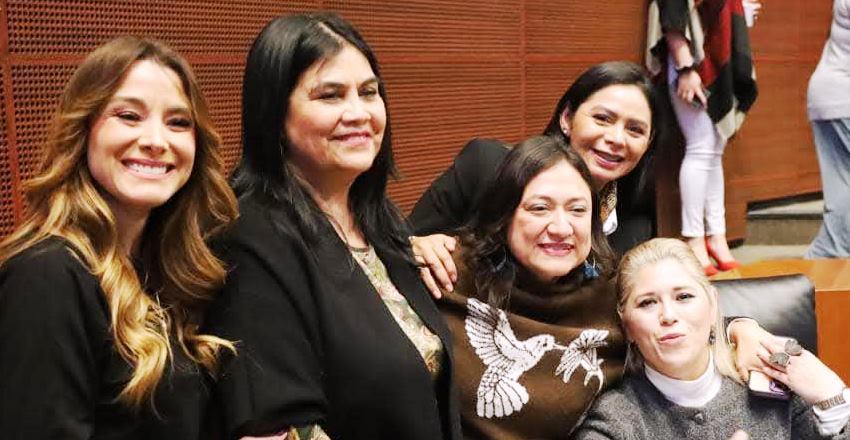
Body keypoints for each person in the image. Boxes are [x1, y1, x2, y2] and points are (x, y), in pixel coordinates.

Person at [204, 13, 461, 440]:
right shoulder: (250, 237)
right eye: (330, 95)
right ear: (275, 113)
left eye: (369, 92)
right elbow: (278, 425)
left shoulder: (378, 220)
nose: (358, 113)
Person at [436, 135, 771, 439]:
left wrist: (739, 328)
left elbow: (675, 320)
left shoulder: (609, 290)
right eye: (539, 208)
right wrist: (414, 250)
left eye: (577, 210)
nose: (561, 227)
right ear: (505, 214)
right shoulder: (448, 272)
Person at [0, 37, 238, 439]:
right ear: (83, 129)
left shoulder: (169, 267)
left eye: (178, 122)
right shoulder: (47, 276)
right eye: (129, 116)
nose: (156, 141)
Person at [406, 61, 659, 296]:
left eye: (635, 130)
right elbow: (402, 243)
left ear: (648, 142)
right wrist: (416, 246)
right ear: (567, 118)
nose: (617, 139)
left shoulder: (635, 224)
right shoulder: (488, 167)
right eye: (602, 119)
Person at [575, 237, 850, 439]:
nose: (668, 315)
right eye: (647, 303)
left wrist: (833, 399)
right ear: (627, 326)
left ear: (713, 306)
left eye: (684, 297)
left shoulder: (774, 388)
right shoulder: (614, 420)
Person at [646, 0, 760, 275]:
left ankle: (717, 237)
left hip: (713, 57)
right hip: (692, 60)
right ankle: (694, 238)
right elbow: (672, 10)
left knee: (713, 151)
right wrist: (685, 67)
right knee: (700, 149)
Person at [806, 0, 850, 258]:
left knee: (842, 189)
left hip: (829, 96)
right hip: (842, 99)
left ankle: (824, 260)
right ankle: (823, 259)